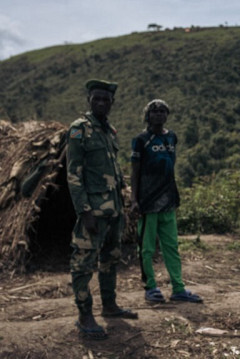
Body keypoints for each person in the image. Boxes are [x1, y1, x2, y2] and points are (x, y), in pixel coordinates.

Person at [67, 79, 137, 340]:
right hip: (93, 211)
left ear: (112, 103)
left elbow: (115, 171)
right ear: (89, 100)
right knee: (83, 263)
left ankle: (110, 306)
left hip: (114, 210)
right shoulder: (79, 130)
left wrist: (124, 205)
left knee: (110, 259)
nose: (100, 103)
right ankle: (85, 315)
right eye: (96, 98)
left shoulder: (110, 132)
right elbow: (73, 175)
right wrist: (84, 211)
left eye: (105, 99)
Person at [130, 99, 203, 305]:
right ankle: (151, 287)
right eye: (154, 111)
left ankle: (178, 288)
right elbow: (134, 172)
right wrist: (134, 199)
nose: (159, 115)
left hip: (168, 200)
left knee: (171, 246)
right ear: (147, 115)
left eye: (163, 111)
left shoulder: (171, 137)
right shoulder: (141, 140)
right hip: (147, 202)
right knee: (146, 248)